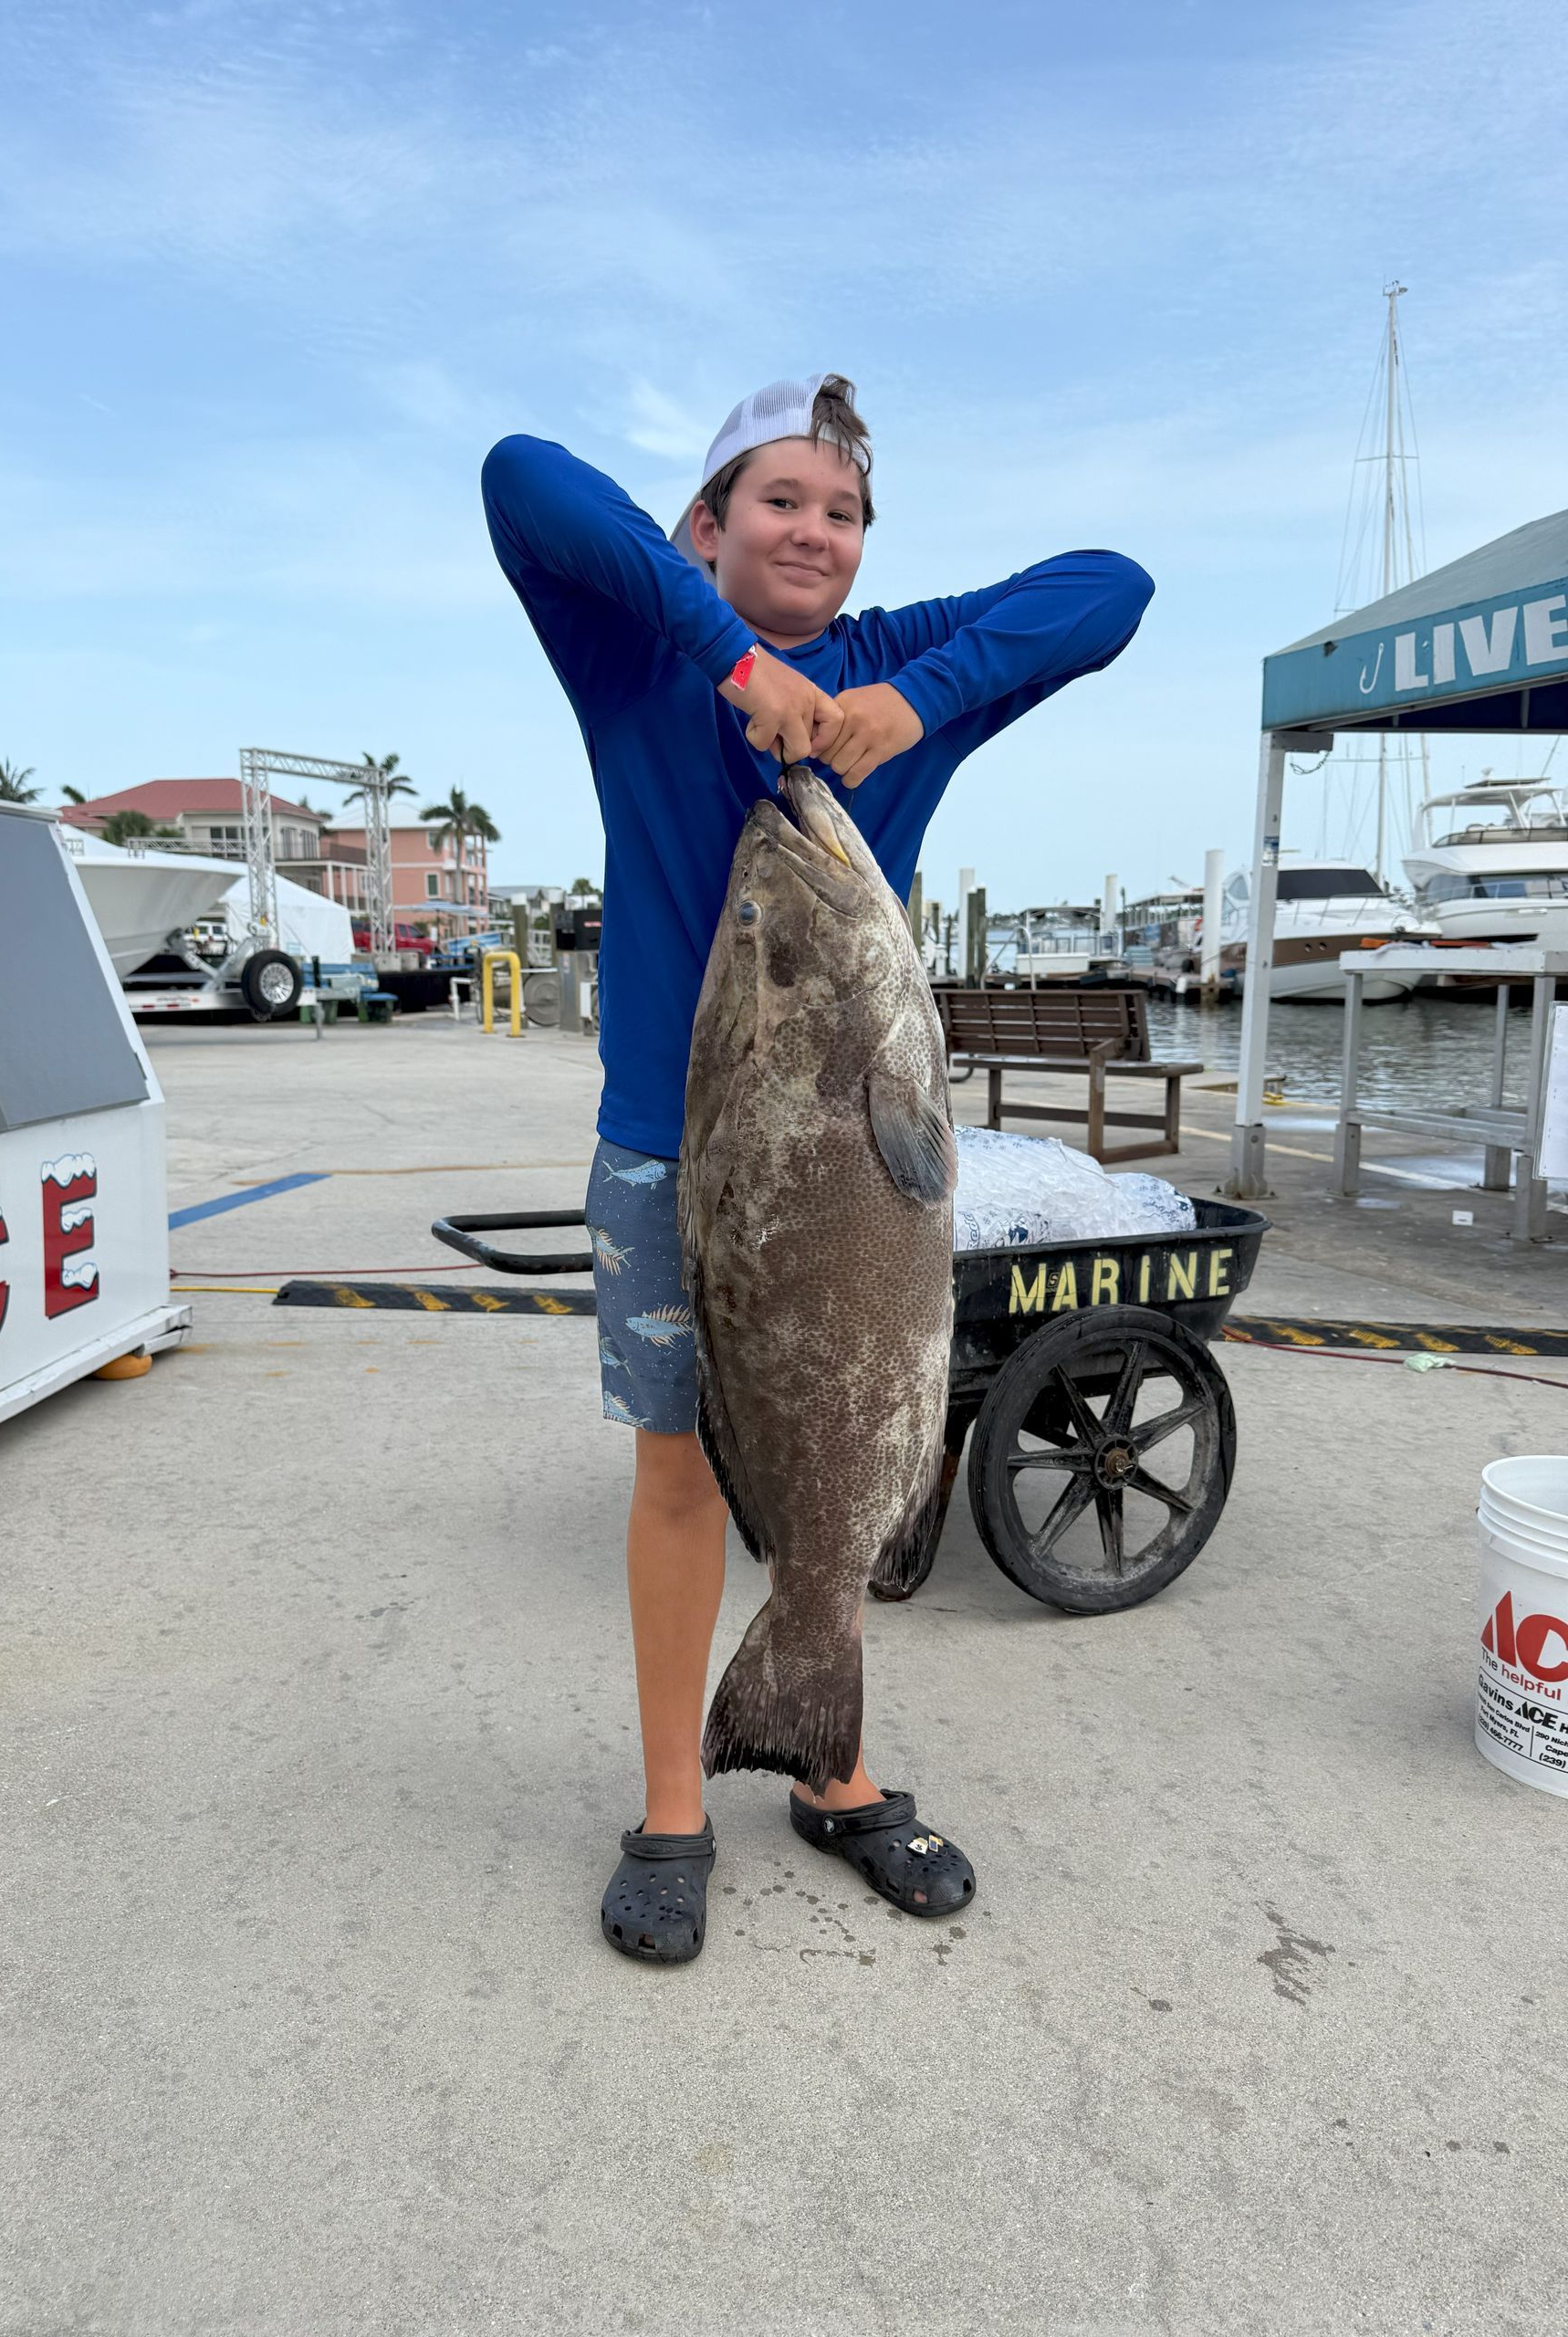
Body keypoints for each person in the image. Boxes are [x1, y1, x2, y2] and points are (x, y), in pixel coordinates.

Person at [483, 373, 1153, 1963]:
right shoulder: (639, 649)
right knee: (678, 1475)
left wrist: (909, 709)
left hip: (866, 1162)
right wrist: (730, 660)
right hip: (667, 1160)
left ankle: (832, 1772)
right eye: (778, 500)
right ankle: (671, 1806)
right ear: (704, 526)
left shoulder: (890, 670)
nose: (816, 532)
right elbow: (520, 476)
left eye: (843, 511)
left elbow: (1110, 591)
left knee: (857, 1451)